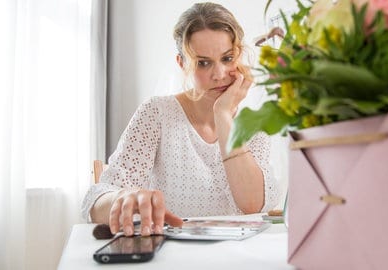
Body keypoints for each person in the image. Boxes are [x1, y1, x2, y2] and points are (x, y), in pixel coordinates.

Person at [81, 2, 280, 237]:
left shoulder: (253, 126)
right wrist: (120, 198)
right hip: (171, 255)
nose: (219, 74)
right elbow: (95, 200)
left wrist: (223, 115)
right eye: (203, 63)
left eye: (227, 58)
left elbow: (252, 205)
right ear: (182, 63)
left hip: (237, 255)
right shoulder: (158, 113)